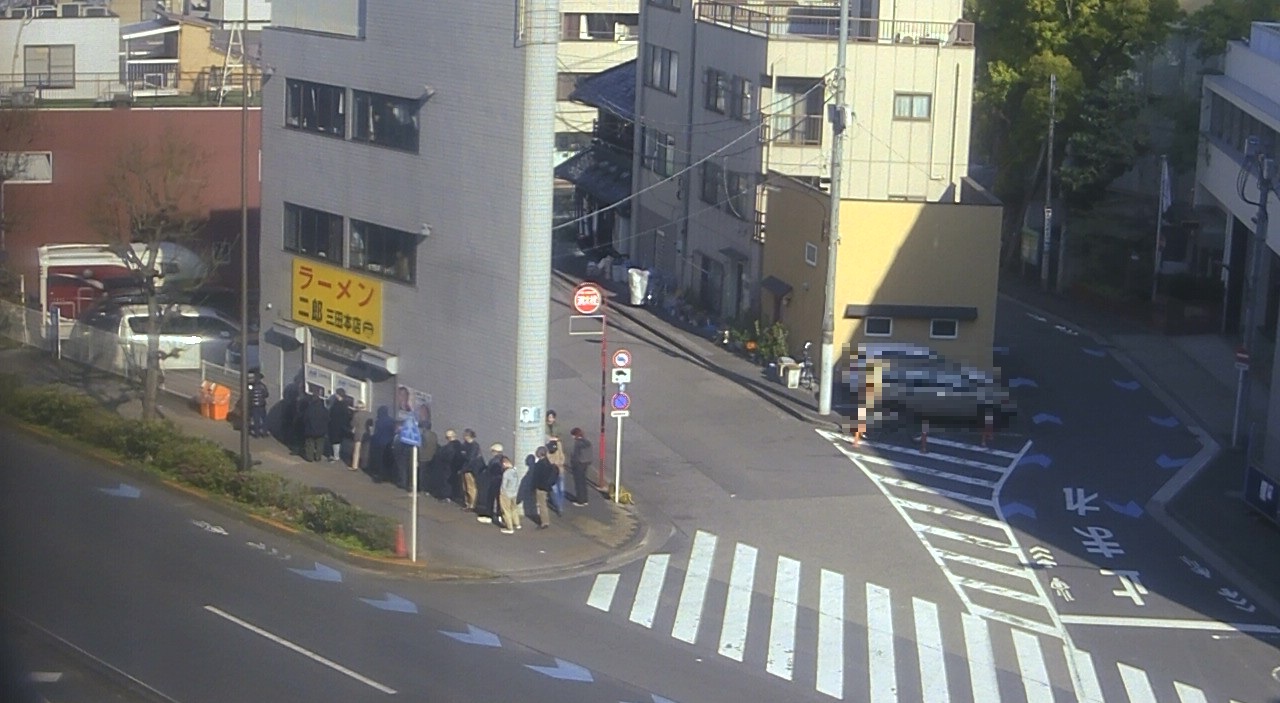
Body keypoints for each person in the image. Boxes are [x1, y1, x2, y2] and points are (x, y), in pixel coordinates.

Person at [476, 443, 505, 524]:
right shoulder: (504, 460)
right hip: (502, 482)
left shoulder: (494, 461)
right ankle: (500, 516)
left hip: (494, 482)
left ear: (495, 451)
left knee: (490, 499)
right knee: (500, 500)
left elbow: (489, 472)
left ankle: (489, 516)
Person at [393, 410, 422, 490]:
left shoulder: (402, 436)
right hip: (409, 455)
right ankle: (409, 484)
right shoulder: (411, 434)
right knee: (409, 469)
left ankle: (403, 483)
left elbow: (398, 445)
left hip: (402, 454)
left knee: (402, 469)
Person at [531, 445, 557, 529]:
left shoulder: (539, 465)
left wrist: (533, 486)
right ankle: (545, 521)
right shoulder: (548, 463)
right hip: (547, 486)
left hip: (540, 487)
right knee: (544, 504)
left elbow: (536, 477)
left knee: (542, 505)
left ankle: (544, 522)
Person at [326, 388, 355, 464]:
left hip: (336, 425)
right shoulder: (344, 404)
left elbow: (333, 413)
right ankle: (335, 455)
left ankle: (336, 456)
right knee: (337, 441)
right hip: (339, 426)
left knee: (335, 441)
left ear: (339, 395)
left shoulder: (338, 404)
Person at [433, 429, 461, 502]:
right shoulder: (460, 445)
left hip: (448, 467)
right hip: (456, 468)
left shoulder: (449, 447)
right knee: (454, 482)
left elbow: (446, 457)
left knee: (447, 482)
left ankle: (447, 496)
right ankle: (453, 496)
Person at [458, 429, 483, 511]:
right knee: (465, 487)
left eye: (465, 435)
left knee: (470, 487)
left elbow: (470, 458)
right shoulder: (465, 445)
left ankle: (471, 504)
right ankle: (467, 503)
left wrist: (463, 454)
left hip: (470, 469)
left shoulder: (474, 446)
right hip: (465, 469)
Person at [302, 391, 329, 462]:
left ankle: (309, 457)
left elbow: (305, 418)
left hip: (310, 430)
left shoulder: (309, 409)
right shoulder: (324, 409)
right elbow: (328, 419)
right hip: (321, 430)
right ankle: (318, 457)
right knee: (320, 444)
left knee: (310, 443)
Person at [568, 427, 593, 506]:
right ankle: (585, 500)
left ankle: (580, 501)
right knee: (583, 482)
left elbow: (576, 455)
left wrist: (572, 463)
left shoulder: (578, 443)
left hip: (578, 465)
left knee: (578, 483)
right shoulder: (587, 441)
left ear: (575, 435)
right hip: (585, 463)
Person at [498, 455, 521, 534]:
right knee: (514, 508)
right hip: (514, 493)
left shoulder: (506, 473)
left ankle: (509, 527)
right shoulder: (514, 471)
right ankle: (517, 523)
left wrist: (501, 493)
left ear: (504, 464)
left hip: (506, 494)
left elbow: (504, 485)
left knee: (506, 510)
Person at [545, 433, 567, 513]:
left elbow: (548, 460)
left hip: (552, 472)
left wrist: (554, 464)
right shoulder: (559, 445)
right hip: (560, 470)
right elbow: (562, 456)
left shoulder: (546, 448)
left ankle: (559, 506)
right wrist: (560, 463)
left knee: (555, 490)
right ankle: (560, 505)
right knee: (561, 489)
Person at [417, 420, 439, 493]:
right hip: (432, 457)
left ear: (424, 428)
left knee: (422, 474)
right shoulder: (434, 435)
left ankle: (422, 488)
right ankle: (428, 489)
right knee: (428, 474)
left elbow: (420, 447)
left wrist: (417, 458)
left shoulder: (423, 436)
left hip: (423, 458)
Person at [247, 371, 269, 438]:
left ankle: (257, 434)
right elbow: (266, 394)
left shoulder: (251, 386)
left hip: (254, 406)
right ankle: (264, 433)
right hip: (261, 405)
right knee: (264, 419)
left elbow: (249, 394)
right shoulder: (263, 386)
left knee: (256, 420)